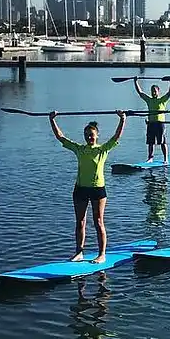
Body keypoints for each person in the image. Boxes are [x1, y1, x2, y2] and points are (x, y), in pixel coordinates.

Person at [50, 111, 126, 263]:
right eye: (86, 135)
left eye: (91, 134)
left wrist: (122, 119)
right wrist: (52, 120)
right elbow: (60, 137)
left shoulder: (102, 149)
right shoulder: (79, 149)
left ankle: (102, 254)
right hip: (80, 189)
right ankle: (79, 252)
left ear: (97, 135)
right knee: (80, 222)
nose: (89, 137)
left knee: (98, 222)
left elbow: (116, 136)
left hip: (98, 190)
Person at [133, 79, 170, 162]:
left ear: (158, 91)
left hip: (160, 124)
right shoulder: (149, 100)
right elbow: (140, 93)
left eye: (155, 91)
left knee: (162, 142)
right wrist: (135, 81)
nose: (153, 93)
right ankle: (150, 158)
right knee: (150, 142)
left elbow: (169, 93)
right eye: (152, 91)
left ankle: (166, 158)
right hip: (151, 123)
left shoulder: (162, 100)